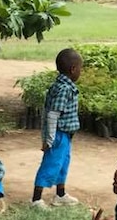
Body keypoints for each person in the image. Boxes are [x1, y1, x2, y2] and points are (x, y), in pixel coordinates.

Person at [31, 48, 82, 209]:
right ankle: (36, 199)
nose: (81, 72)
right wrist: (50, 139)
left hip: (65, 135)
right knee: (50, 164)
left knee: (62, 164)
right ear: (73, 69)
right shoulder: (64, 89)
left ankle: (60, 195)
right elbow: (52, 114)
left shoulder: (61, 85)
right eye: (80, 68)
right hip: (58, 135)